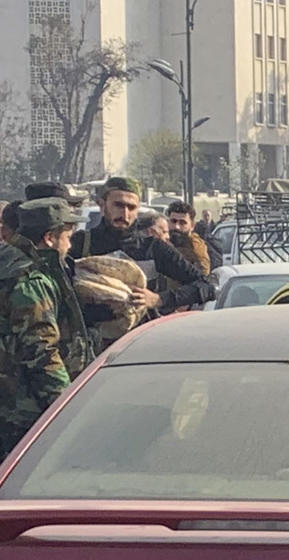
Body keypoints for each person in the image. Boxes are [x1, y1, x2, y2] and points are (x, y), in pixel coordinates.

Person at [68, 178, 208, 335]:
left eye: (131, 207)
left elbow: (206, 285)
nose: (125, 213)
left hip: (139, 343)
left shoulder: (152, 248)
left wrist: (159, 299)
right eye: (119, 205)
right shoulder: (80, 244)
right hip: (93, 343)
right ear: (102, 204)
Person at [0, 197, 83, 452]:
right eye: (67, 236)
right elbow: (41, 352)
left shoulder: (8, 259)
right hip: (22, 410)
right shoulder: (30, 279)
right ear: (49, 238)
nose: (70, 245)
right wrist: (66, 411)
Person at [167, 200, 219, 272]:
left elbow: (202, 275)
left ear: (192, 226)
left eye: (182, 223)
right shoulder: (161, 243)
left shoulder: (198, 249)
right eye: (173, 221)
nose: (176, 226)